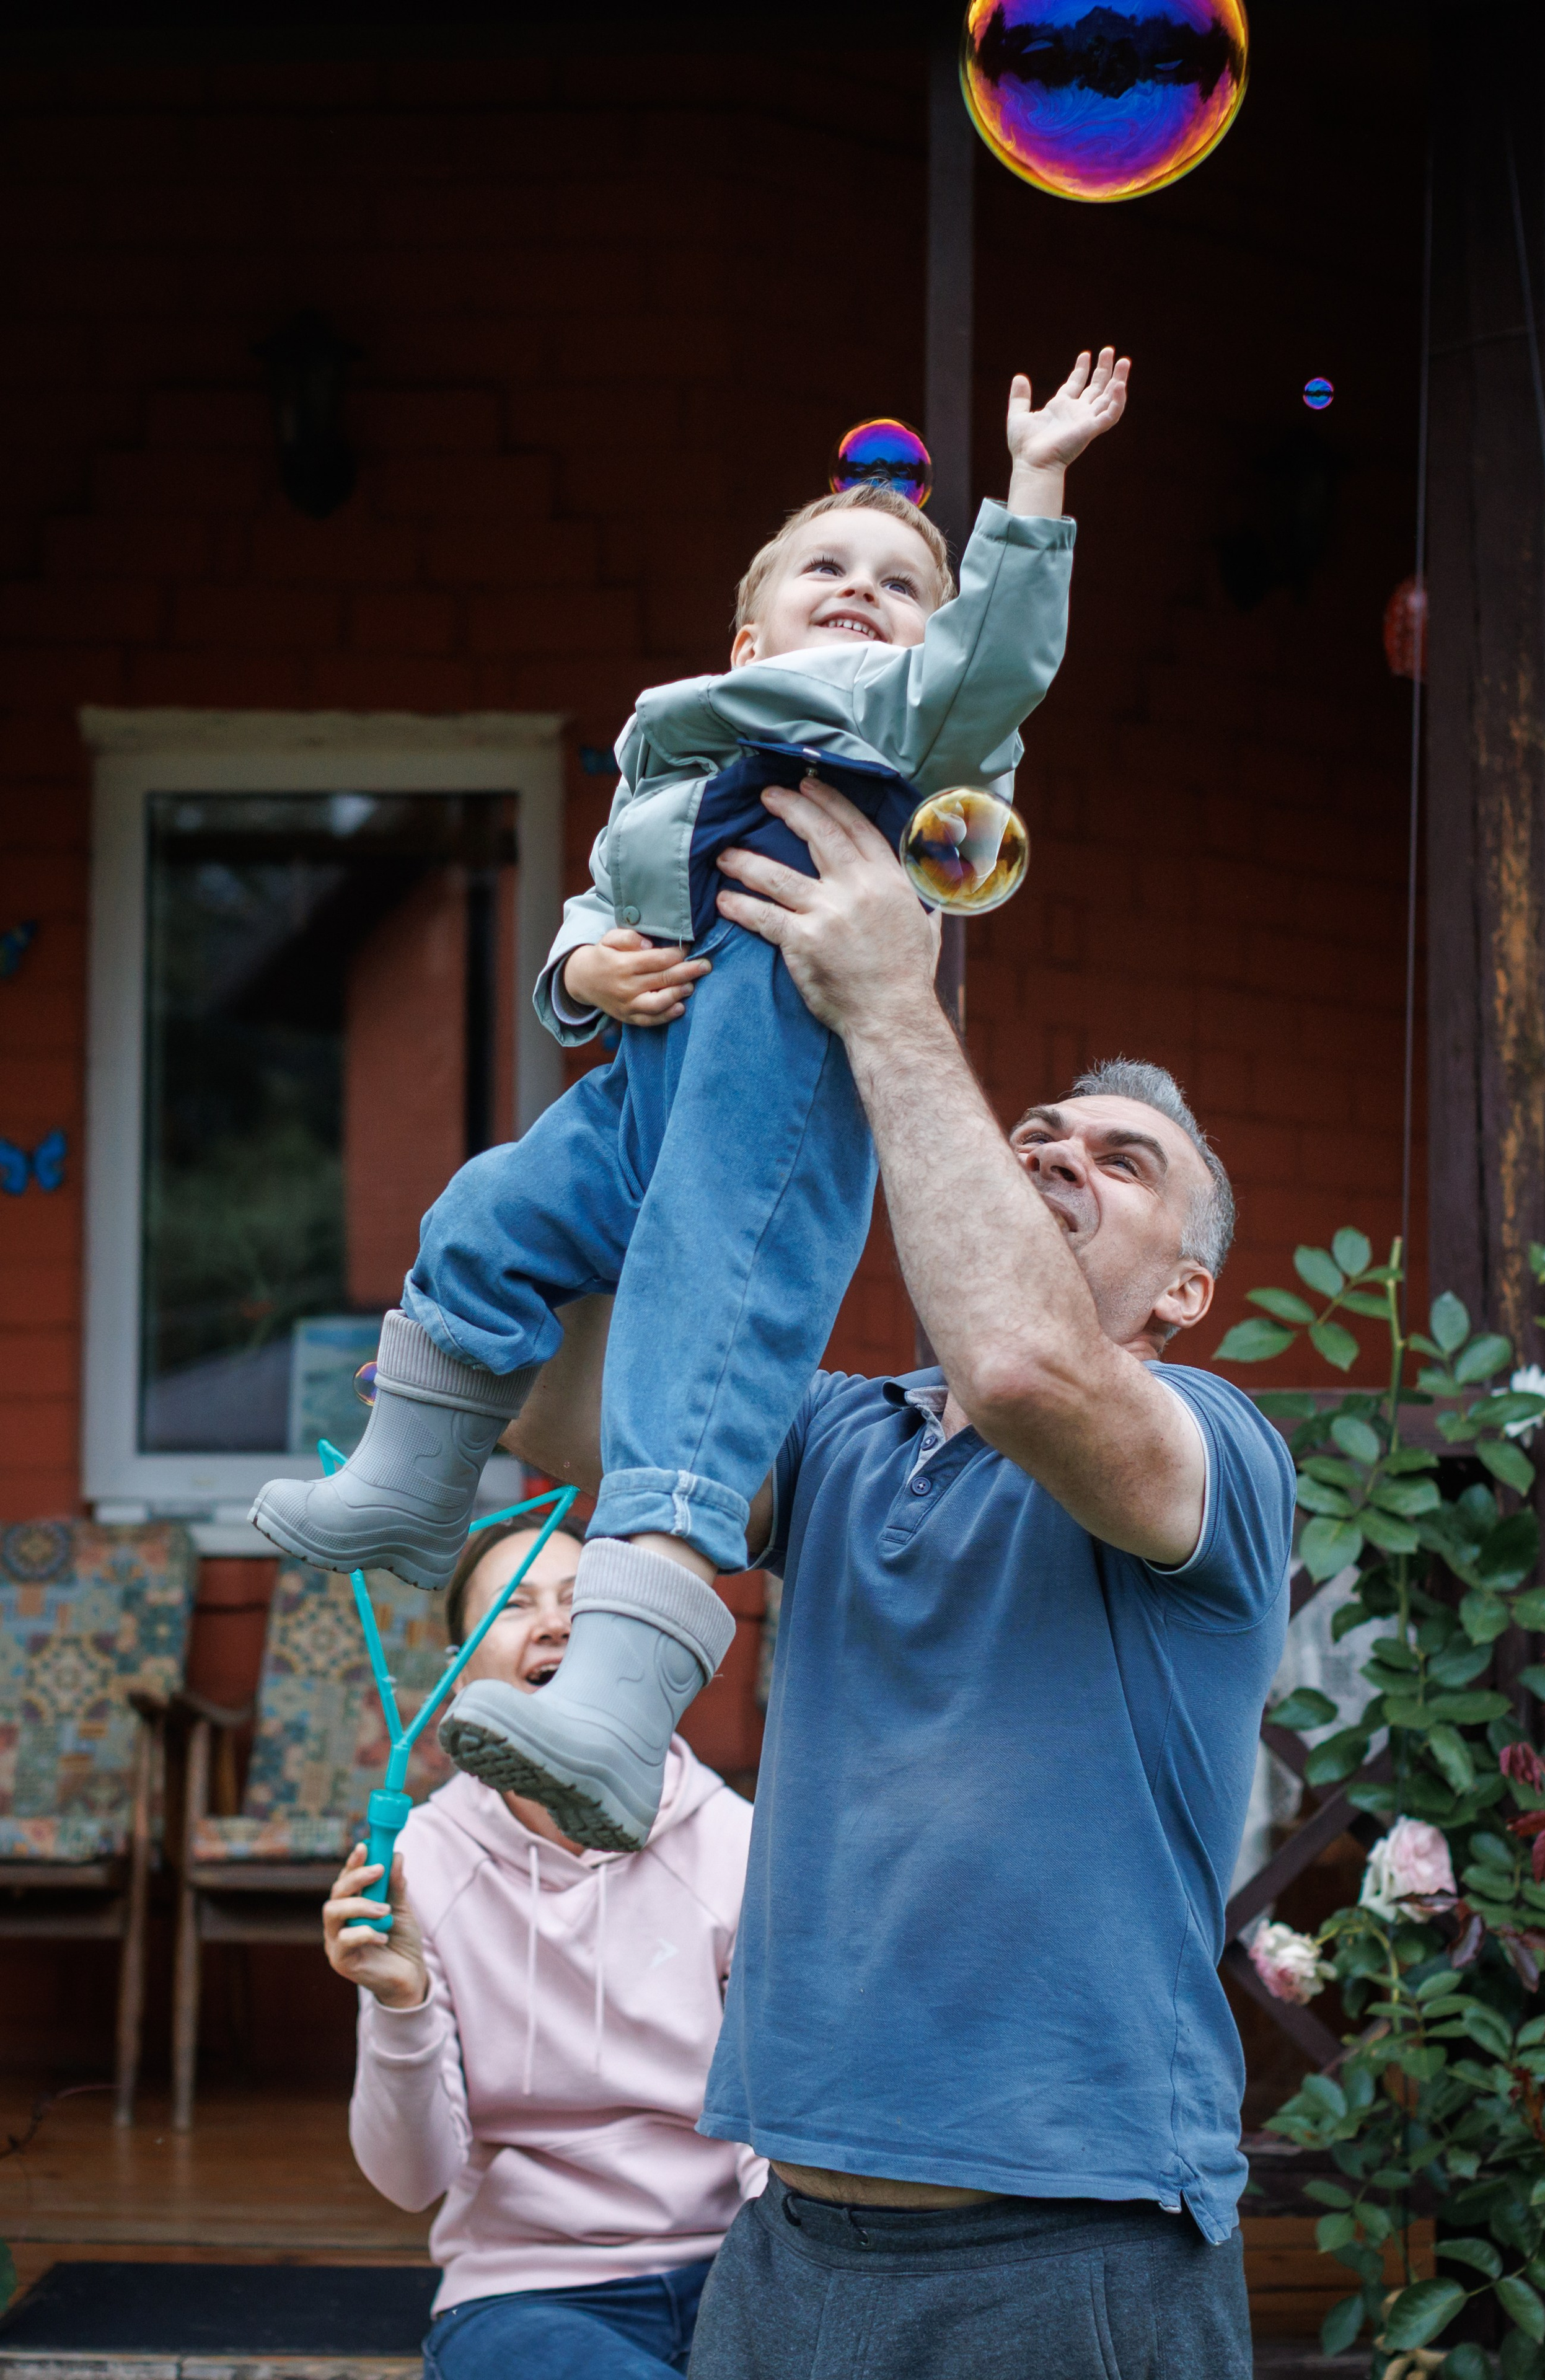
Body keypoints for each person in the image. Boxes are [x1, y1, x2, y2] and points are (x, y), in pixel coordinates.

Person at [250, 347, 1132, 1858]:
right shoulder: (674, 749)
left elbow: (997, 663)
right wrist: (583, 973)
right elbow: (590, 907)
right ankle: (407, 1485)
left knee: (692, 1345)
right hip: (634, 1093)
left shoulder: (900, 733)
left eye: (902, 581)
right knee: (478, 1210)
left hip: (762, 1104)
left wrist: (1031, 486)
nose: (861, 588)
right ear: (745, 631)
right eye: (823, 567)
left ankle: (613, 1706)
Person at [501, 779, 1296, 2379]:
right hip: (787, 2244)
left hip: (1071, 2259)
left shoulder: (1218, 1453)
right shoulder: (841, 1440)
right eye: (1041, 1138)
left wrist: (891, 1005)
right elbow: (557, 1408)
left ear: (1190, 1290)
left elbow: (1021, 1367)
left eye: (1124, 1163)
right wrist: (668, 1066)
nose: (1063, 1152)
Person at [322, 1514, 761, 2380]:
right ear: (460, 1682)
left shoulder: (738, 1844)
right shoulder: (420, 1868)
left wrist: (772, 2299)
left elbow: (774, 2138)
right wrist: (399, 2002)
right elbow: (411, 2182)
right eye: (514, 1607)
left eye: (582, 1604)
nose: (556, 1623)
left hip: (736, 2269)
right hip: (529, 2293)